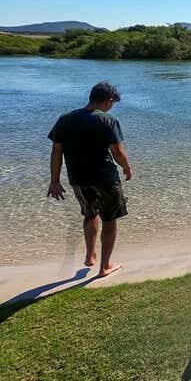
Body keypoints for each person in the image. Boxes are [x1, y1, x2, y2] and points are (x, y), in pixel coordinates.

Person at [47, 82, 133, 278]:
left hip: (77, 178)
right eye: (112, 103)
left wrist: (54, 180)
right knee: (110, 219)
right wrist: (127, 167)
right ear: (108, 100)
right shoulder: (107, 120)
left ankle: (90, 255)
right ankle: (105, 266)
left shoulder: (65, 119)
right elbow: (117, 152)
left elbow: (56, 151)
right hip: (105, 179)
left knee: (90, 214)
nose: (112, 107)